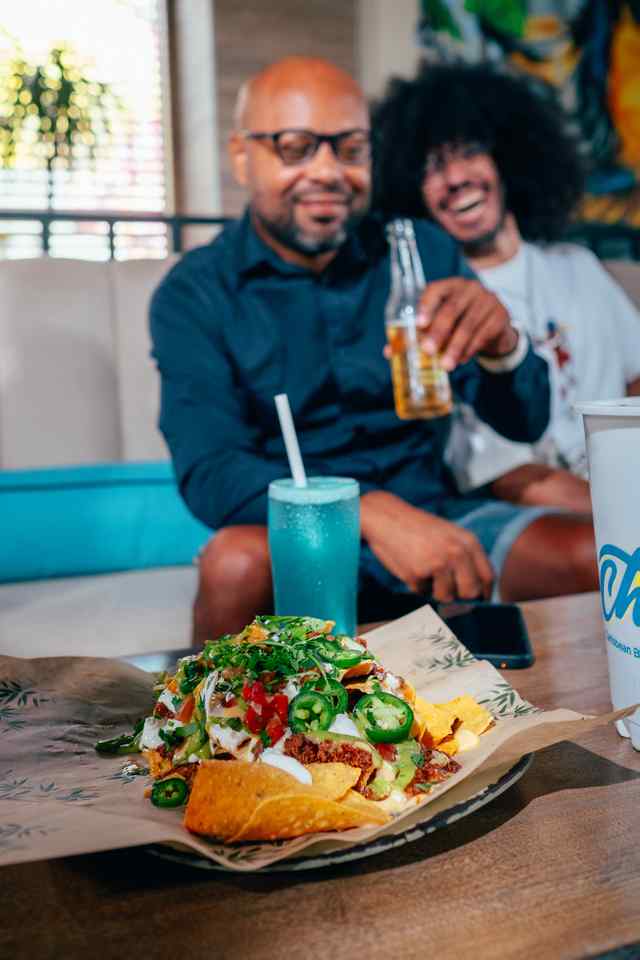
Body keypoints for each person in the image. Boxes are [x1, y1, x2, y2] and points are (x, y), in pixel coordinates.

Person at [150, 56, 596, 645]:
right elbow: (210, 471)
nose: (328, 171)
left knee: (599, 555)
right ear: (241, 157)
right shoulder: (197, 292)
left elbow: (525, 418)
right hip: (294, 536)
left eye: (351, 148)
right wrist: (371, 514)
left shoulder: (421, 253)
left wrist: (503, 345)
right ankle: (221, 733)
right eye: (296, 147)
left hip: (439, 521)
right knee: (233, 563)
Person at [373, 62, 640, 514]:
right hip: (543, 517)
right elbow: (511, 478)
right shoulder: (434, 307)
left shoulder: (578, 267)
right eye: (432, 168)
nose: (456, 178)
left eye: (470, 151)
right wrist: (622, 511)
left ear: (507, 158)